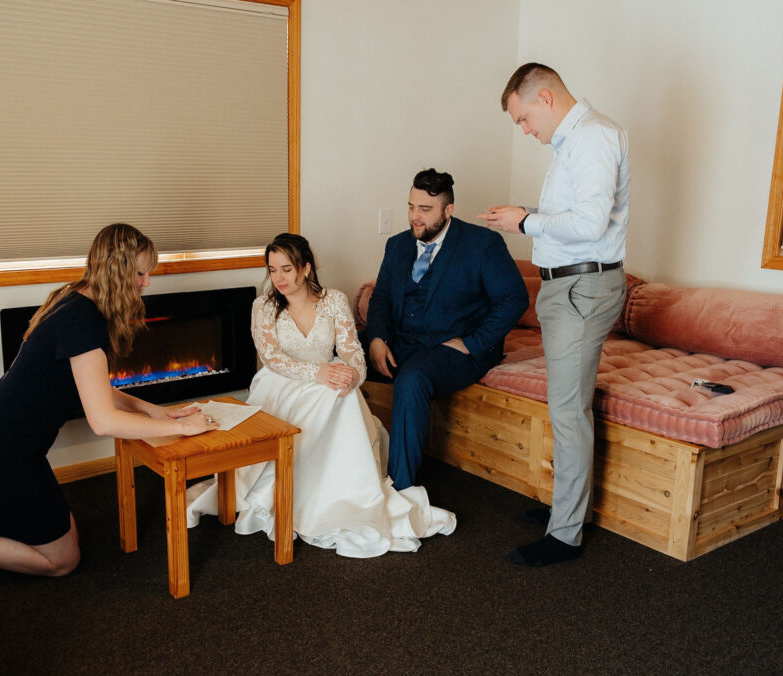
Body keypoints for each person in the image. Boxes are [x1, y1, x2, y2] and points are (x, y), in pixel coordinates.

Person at [0, 223, 218, 576]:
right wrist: (185, 427)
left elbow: (95, 389)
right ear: (117, 271)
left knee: (53, 535)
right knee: (63, 561)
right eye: (141, 273)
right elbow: (104, 421)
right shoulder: (83, 324)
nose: (147, 282)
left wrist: (154, 410)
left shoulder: (74, 297)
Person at [185, 233, 456, 557]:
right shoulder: (263, 306)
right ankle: (297, 492)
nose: (278, 278)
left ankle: (346, 496)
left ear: (306, 268)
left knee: (342, 396)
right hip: (279, 383)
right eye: (272, 270)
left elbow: (353, 352)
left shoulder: (333, 301)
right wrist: (318, 372)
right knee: (327, 392)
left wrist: (351, 375)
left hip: (327, 378)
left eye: (286, 269)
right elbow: (272, 358)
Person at [479, 63, 630, 566]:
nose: (524, 131)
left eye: (523, 119)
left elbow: (589, 223)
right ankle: (570, 509)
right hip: (569, 287)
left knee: (568, 411)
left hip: (582, 288)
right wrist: (525, 217)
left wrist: (525, 220)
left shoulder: (592, 137)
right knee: (567, 404)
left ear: (544, 98)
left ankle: (564, 534)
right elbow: (576, 217)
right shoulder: (576, 140)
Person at [363, 169, 528, 491]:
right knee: (334, 351)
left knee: (412, 379)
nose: (415, 217)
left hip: (456, 349)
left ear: (448, 210)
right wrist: (377, 338)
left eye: (425, 210)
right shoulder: (397, 245)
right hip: (401, 340)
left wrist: (474, 342)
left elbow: (514, 298)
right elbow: (381, 296)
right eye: (411, 207)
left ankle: (401, 489)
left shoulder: (483, 244)